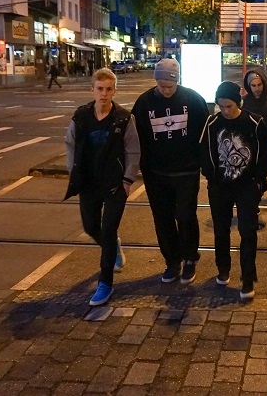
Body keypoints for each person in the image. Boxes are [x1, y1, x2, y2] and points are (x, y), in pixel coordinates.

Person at [64, 68, 140, 306]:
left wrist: (128, 179)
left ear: (114, 91)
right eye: (100, 89)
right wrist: (73, 172)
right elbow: (70, 144)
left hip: (115, 184)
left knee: (107, 230)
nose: (104, 94)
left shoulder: (124, 118)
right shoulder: (81, 116)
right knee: (90, 227)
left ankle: (105, 283)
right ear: (93, 90)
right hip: (88, 183)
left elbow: (133, 150)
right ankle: (113, 246)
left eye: (108, 89)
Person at [131, 58, 210, 284]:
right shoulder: (144, 102)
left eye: (170, 86)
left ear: (178, 81)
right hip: (155, 173)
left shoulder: (193, 100)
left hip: (187, 171)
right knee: (162, 218)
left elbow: (205, 133)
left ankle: (190, 258)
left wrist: (202, 163)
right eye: (161, 86)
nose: (166, 91)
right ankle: (171, 261)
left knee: (185, 216)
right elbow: (136, 137)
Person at [201, 81, 267, 299]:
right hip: (220, 186)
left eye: (229, 106)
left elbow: (265, 156)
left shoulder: (254, 122)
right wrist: (211, 177)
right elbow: (204, 152)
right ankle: (223, 269)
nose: (225, 111)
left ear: (238, 102)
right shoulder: (212, 123)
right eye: (221, 106)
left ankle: (248, 278)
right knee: (220, 230)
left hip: (246, 186)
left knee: (247, 231)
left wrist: (257, 181)